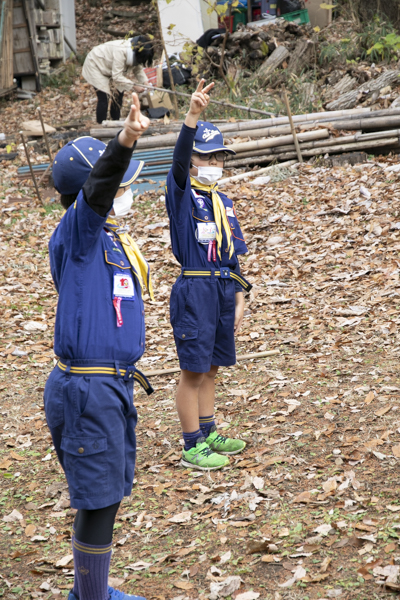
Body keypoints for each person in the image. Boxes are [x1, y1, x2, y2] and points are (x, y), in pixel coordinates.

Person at [44, 93, 153, 600]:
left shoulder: (105, 238)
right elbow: (98, 190)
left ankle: (93, 592)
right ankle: (92, 597)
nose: (127, 192)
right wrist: (125, 142)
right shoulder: (77, 234)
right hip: (87, 391)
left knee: (104, 494)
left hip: (108, 387)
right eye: (122, 186)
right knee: (99, 501)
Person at [165, 79, 252, 471]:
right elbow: (179, 162)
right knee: (194, 369)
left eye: (220, 158)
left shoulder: (223, 201)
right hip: (195, 287)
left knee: (213, 366)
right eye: (206, 157)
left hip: (220, 287)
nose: (214, 164)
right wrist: (192, 117)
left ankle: (208, 429)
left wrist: (239, 296)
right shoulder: (183, 195)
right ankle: (190, 444)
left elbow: (233, 253)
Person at [82, 35, 154, 124]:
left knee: (118, 94)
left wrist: (145, 82)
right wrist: (134, 86)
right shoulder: (121, 51)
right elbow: (117, 76)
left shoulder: (137, 52)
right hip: (95, 64)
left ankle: (115, 122)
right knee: (104, 97)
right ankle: (100, 126)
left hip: (110, 68)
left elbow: (138, 69)